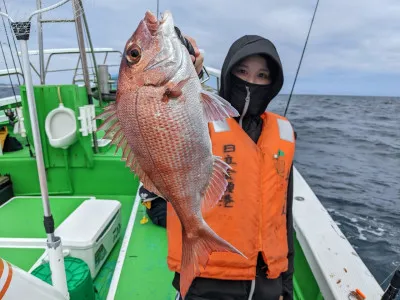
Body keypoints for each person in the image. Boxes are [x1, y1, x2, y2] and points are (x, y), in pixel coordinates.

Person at [139, 33, 296, 300]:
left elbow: (284, 216)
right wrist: (179, 57)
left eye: (262, 75)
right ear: (228, 73)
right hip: (205, 280)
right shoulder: (200, 118)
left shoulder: (282, 132)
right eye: (243, 71)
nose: (251, 81)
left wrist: (285, 286)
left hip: (267, 285)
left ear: (273, 83)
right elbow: (162, 108)